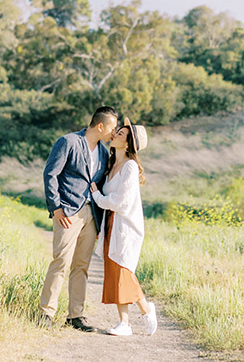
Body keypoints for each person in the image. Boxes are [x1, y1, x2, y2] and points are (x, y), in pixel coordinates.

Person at [39, 106, 119, 331]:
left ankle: (75, 315)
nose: (115, 131)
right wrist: (56, 208)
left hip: (91, 216)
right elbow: (50, 174)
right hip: (67, 213)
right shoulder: (68, 142)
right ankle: (46, 313)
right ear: (101, 126)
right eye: (113, 127)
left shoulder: (104, 152)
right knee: (61, 262)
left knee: (82, 266)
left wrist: (98, 221)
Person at [90, 117, 158, 336]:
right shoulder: (111, 165)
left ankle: (146, 311)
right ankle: (124, 323)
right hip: (111, 224)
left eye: (121, 134)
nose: (116, 134)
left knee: (124, 271)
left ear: (128, 144)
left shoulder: (129, 167)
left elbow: (120, 201)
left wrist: (97, 196)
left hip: (126, 227)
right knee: (115, 272)